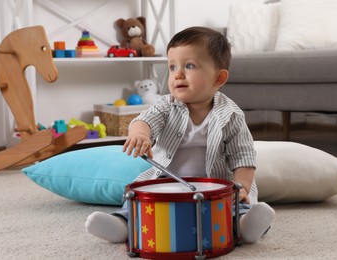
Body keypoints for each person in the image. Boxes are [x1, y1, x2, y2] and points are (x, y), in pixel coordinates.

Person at [85, 26, 275, 245]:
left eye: (189, 66)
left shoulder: (231, 115)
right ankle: (124, 225)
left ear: (219, 78)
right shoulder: (166, 105)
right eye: (172, 66)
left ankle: (243, 226)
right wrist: (140, 134)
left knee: (236, 207)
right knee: (137, 200)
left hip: (217, 187)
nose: (178, 74)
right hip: (166, 181)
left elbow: (243, 156)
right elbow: (144, 121)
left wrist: (240, 186)